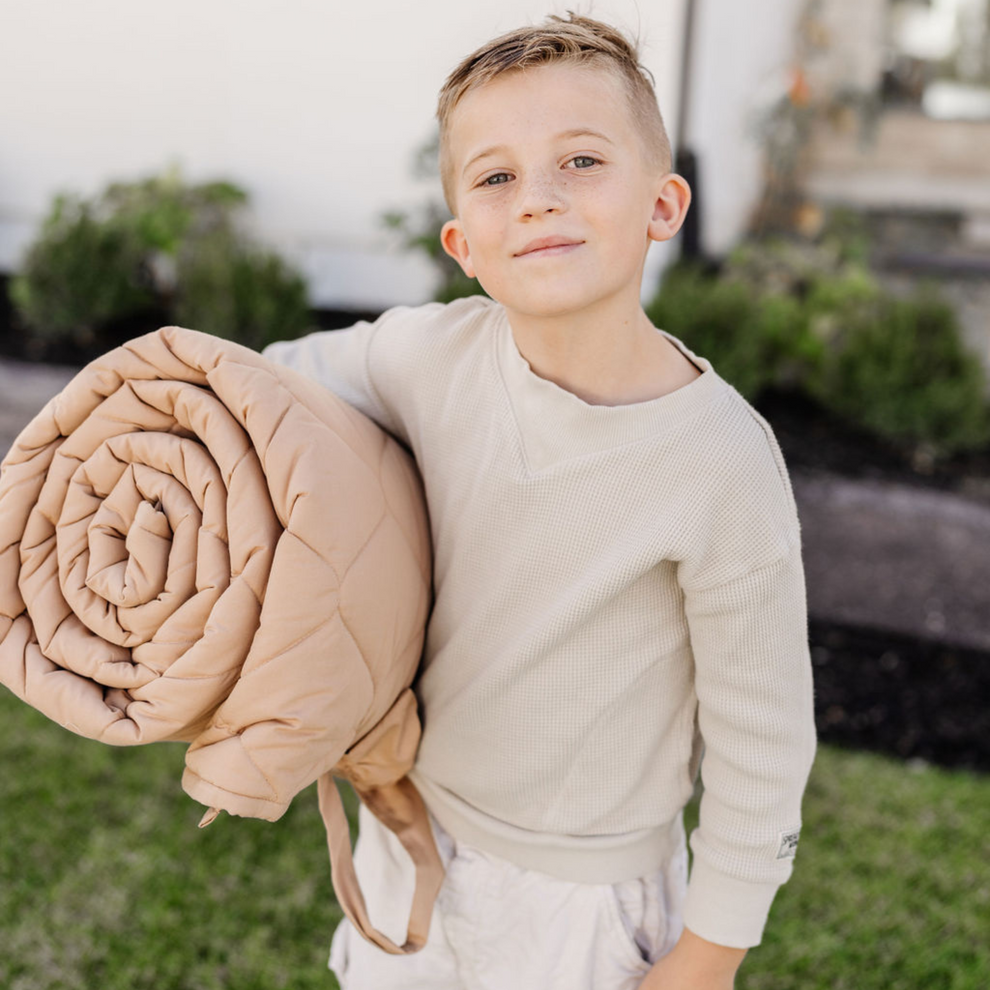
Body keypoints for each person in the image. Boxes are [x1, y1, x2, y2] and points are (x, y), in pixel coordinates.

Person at [261, 13, 816, 990]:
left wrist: (708, 956)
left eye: (583, 160)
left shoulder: (722, 460)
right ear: (461, 241)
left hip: (583, 899)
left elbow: (761, 745)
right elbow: (262, 389)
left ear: (663, 203)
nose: (538, 200)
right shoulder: (424, 355)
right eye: (497, 177)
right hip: (410, 829)